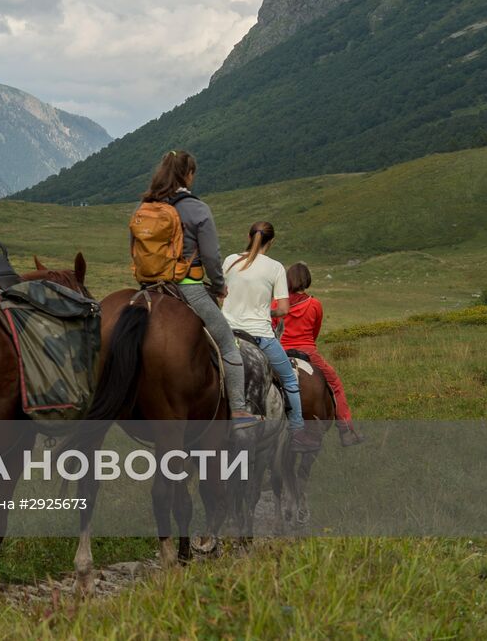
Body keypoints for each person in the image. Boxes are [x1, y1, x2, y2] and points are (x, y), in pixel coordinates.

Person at [140, 150, 255, 426]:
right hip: (188, 288)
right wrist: (219, 286)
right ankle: (239, 410)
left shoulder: (145, 207)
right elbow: (212, 257)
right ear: (188, 174)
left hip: (148, 289)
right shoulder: (196, 208)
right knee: (228, 345)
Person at [222, 222, 318, 452]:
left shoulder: (230, 260)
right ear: (271, 241)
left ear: (248, 236)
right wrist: (267, 311)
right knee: (290, 381)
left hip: (226, 332)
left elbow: (221, 293)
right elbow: (284, 309)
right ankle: (297, 432)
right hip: (260, 335)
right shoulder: (275, 267)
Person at [281, 262, 363, 447]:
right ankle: (345, 430)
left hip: (281, 351)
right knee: (335, 384)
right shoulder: (314, 304)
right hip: (307, 350)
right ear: (307, 281)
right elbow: (314, 331)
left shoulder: (277, 304)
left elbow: (272, 327)